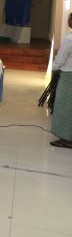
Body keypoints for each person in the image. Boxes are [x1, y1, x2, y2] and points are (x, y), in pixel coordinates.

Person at [51, 13, 72, 149]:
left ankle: (66, 138)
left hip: (68, 76)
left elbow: (60, 59)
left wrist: (53, 68)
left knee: (64, 107)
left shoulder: (69, 39)